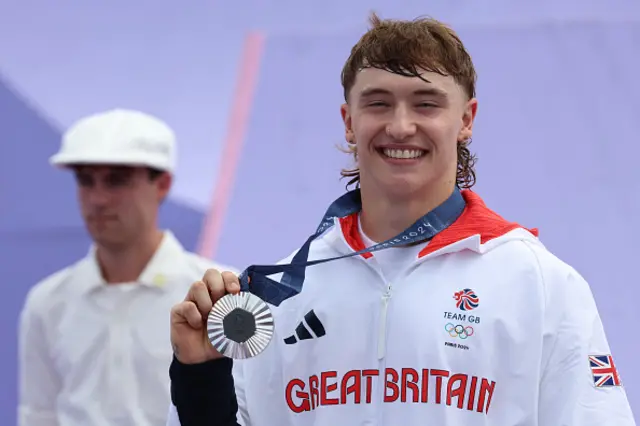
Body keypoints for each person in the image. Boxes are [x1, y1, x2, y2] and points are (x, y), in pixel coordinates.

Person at [166, 13, 636, 426]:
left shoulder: (539, 284)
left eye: (426, 103)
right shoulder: (277, 295)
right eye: (378, 103)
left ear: (466, 119)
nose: (400, 126)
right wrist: (200, 373)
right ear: (349, 121)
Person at [18, 109, 237, 426]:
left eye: (116, 180)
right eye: (85, 180)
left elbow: (247, 409)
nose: (98, 199)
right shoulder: (47, 302)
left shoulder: (214, 296)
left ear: (162, 184)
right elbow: (38, 416)